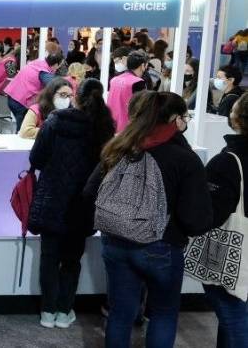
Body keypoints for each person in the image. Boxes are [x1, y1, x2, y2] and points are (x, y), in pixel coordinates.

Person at [83, 91, 213, 348]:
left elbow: (89, 192)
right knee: (163, 315)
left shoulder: (119, 147)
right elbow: (195, 219)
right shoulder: (185, 159)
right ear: (175, 120)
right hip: (162, 246)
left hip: (116, 242)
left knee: (120, 313)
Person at [29, 79, 115, 329]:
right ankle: (64, 311)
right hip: (83, 202)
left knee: (49, 256)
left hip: (52, 197)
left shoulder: (55, 121)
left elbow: (36, 158)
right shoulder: (103, 128)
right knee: (71, 260)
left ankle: (47, 311)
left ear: (76, 97)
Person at [203, 93, 248, 348]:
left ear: (237, 119)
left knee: (233, 316)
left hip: (230, 249)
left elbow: (212, 214)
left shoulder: (226, 162)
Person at [4, 51, 65, 131]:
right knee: (23, 130)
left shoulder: (38, 63)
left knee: (22, 127)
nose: (59, 67)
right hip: (20, 101)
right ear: (56, 64)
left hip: (13, 96)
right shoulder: (44, 72)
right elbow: (53, 86)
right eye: (60, 65)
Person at [107, 50, 149, 133]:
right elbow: (142, 108)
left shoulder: (114, 79)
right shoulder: (138, 82)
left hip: (111, 125)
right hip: (127, 129)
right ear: (142, 65)